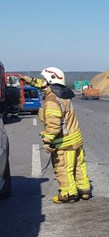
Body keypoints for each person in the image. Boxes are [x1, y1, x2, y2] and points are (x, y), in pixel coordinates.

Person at [22, 67, 92, 203]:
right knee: (79, 165)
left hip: (64, 141)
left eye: (44, 80)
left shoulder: (52, 100)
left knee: (63, 167)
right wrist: (28, 80)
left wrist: (47, 140)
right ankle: (84, 190)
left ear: (50, 81)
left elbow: (53, 124)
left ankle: (68, 193)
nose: (42, 82)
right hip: (76, 138)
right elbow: (43, 85)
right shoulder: (63, 94)